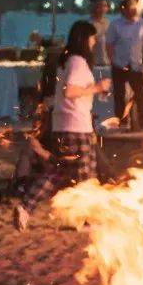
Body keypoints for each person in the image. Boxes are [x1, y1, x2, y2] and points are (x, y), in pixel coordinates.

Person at [15, 20, 98, 228]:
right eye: (92, 37)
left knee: (56, 172)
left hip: (63, 125)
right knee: (86, 175)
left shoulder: (67, 61)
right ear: (84, 38)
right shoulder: (78, 61)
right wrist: (98, 88)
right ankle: (86, 220)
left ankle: (25, 207)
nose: (94, 42)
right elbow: (70, 91)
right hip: (76, 128)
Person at [105, 0, 143, 128]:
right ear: (123, 9)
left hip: (135, 65)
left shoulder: (142, 23)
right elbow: (109, 44)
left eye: (134, 7)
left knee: (141, 95)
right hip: (119, 64)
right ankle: (121, 122)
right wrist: (111, 60)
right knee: (119, 95)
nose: (133, 10)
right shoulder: (115, 24)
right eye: (130, 7)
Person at [88, 0, 110, 70]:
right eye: (100, 6)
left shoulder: (107, 23)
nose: (102, 8)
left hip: (107, 62)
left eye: (104, 6)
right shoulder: (90, 24)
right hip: (95, 63)